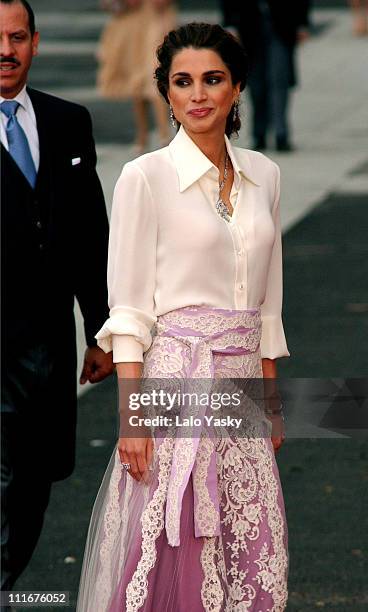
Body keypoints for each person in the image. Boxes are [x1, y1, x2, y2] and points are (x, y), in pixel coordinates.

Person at [77, 22, 290, 612]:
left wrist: (270, 405)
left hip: (243, 390)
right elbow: (128, 310)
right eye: (182, 82)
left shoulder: (265, 175)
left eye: (212, 80)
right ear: (166, 94)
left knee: (247, 554)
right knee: (175, 553)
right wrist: (132, 419)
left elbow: (268, 306)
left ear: (237, 88)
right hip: (175, 386)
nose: (198, 95)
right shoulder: (144, 178)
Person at [0, 0, 114, 595]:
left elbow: (88, 233)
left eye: (17, 38)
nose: (5, 51)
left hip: (49, 347)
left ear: (35, 43)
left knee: (35, 485)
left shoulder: (68, 121)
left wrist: (101, 329)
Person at [221, 0, 311, 152]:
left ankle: (281, 133)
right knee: (256, 84)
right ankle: (259, 133)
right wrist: (230, 22)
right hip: (248, 24)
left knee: (279, 79)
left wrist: (302, 22)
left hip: (282, 24)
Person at [98, 0, 176, 153]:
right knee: (136, 81)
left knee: (154, 74)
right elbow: (108, 5)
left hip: (154, 20)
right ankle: (143, 134)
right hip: (130, 22)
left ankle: (164, 133)